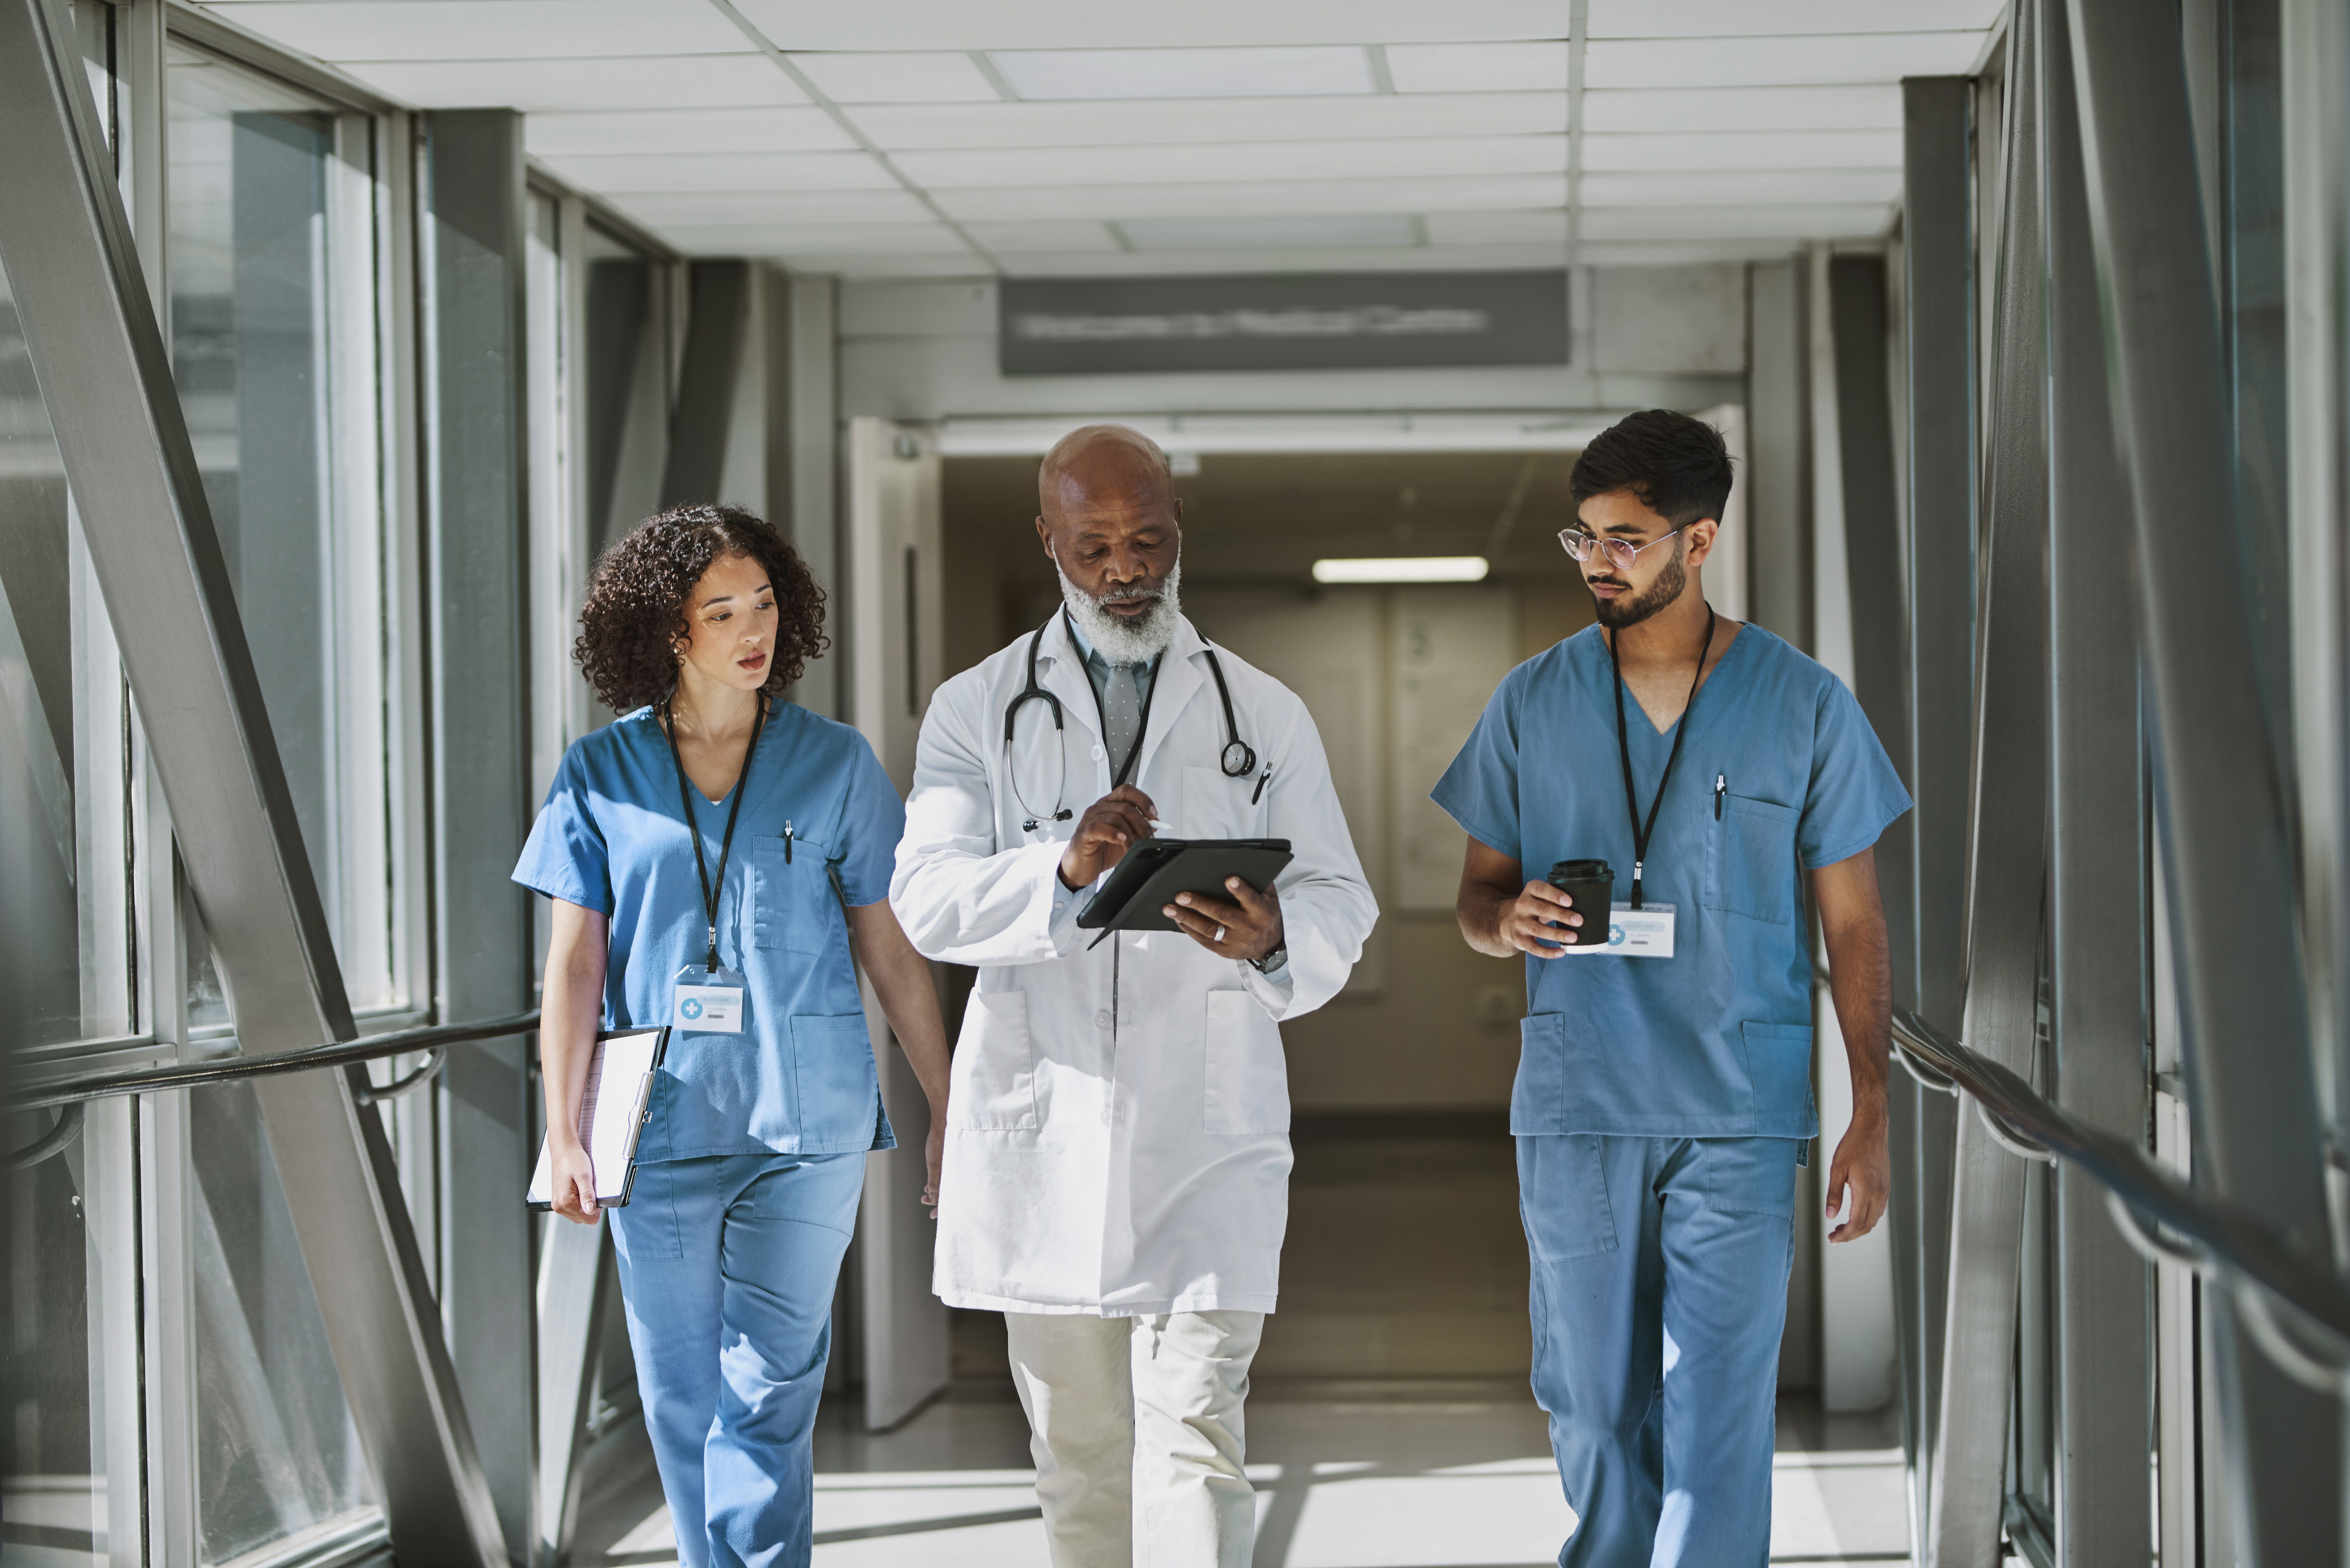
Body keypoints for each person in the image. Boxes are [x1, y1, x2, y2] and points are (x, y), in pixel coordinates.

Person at [891, 425, 1376, 1568]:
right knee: (1079, 1460)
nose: (1125, 570)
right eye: (1096, 544)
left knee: (1197, 1438)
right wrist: (1060, 869)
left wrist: (1273, 941)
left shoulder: (1265, 712)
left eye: (1147, 541)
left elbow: (1339, 899)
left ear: (1177, 535)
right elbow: (927, 900)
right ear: (1048, 540)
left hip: (1205, 1133)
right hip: (1043, 1129)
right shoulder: (977, 709)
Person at [1434, 411, 1910, 1565]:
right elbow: (1477, 899)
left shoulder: (1801, 701)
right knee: (1594, 1408)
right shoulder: (1532, 701)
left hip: (1741, 1111)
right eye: (1585, 538)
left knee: (1717, 1418)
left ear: (1700, 543)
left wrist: (1871, 1111)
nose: (1598, 561)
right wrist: (1509, 921)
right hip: (1581, 1100)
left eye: (1627, 539)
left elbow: (1852, 922)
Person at [515, 504, 950, 1568]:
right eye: (723, 612)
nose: (754, 630)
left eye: (764, 604)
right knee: (682, 1392)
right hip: (656, 1128)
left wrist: (951, 1105)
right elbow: (573, 968)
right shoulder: (599, 773)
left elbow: (892, 952)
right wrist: (564, 1135)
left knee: (772, 1387)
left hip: (810, 1127)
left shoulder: (836, 764)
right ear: (670, 631)